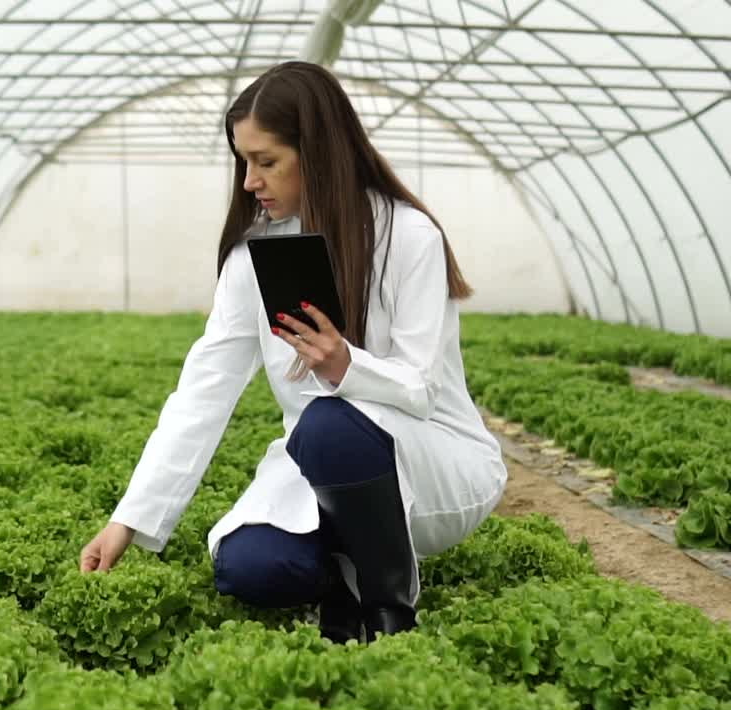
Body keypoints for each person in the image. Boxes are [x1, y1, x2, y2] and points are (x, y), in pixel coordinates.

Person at [78, 61, 507, 644]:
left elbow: (422, 389)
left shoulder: (410, 238)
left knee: (331, 424)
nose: (250, 181)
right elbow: (203, 394)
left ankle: (388, 607)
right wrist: (126, 522)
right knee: (249, 566)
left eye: (266, 161)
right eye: (244, 162)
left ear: (320, 153)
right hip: (319, 467)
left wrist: (343, 365)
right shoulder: (255, 256)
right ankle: (340, 577)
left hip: (433, 463)